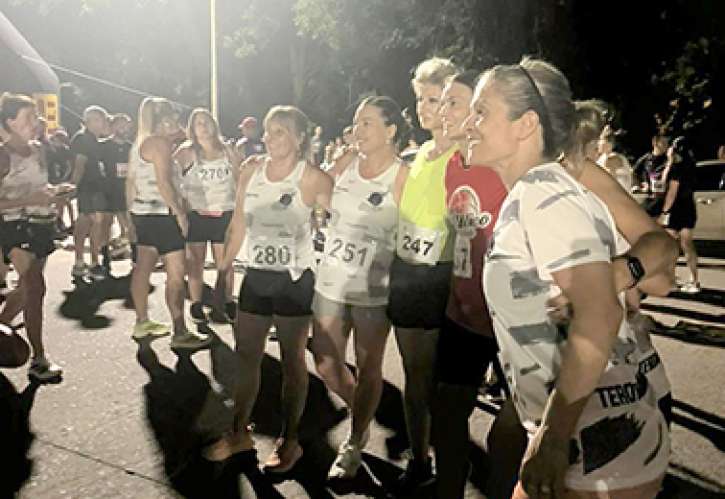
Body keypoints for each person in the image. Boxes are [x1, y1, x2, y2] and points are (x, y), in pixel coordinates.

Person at [473, 58, 668, 498]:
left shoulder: (543, 193)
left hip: (599, 450)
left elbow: (600, 316)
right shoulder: (541, 189)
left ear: (526, 125)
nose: (470, 123)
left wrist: (553, 436)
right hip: (593, 438)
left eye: (481, 111)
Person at [205, 105, 333, 474]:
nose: (269, 137)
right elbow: (238, 224)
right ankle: (239, 432)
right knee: (247, 355)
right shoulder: (251, 170)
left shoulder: (313, 178)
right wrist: (223, 272)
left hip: (294, 281)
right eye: (267, 130)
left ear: (299, 137)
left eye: (279, 131)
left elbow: (344, 223)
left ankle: (290, 440)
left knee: (292, 360)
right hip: (257, 277)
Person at [310, 96, 409, 479]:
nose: (357, 130)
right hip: (331, 281)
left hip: (373, 289)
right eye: (356, 122)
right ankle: (362, 411)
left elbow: (412, 233)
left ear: (390, 130)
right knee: (326, 364)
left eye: (367, 123)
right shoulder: (345, 163)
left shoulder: (401, 175)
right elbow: (316, 197)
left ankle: (354, 441)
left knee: (369, 367)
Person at [433, 69, 513, 499]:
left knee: (512, 435)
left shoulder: (505, 166)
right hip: (462, 314)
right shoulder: (451, 165)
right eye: (441, 101)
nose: (443, 111)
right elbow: (460, 236)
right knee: (447, 415)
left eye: (453, 102)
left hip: (509, 318)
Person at [386, 56, 458, 493]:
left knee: (435, 381)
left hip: (442, 277)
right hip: (405, 273)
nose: (425, 108)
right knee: (413, 376)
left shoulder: (464, 156)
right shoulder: (415, 157)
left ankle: (447, 465)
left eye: (434, 99)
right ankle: (419, 459)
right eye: (420, 99)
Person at [126, 96, 211, 349]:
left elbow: (130, 182)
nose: (176, 121)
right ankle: (180, 331)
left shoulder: (140, 143)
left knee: (143, 268)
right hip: (164, 215)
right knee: (175, 273)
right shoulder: (159, 144)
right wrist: (180, 213)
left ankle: (142, 322)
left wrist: (130, 217)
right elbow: (164, 182)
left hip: (143, 213)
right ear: (161, 120)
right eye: (171, 117)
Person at [0, 93, 68, 381]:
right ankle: (39, 359)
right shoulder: (3, 155)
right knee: (35, 287)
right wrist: (30, 199)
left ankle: (2, 326)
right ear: (9, 122)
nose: (36, 122)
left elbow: (41, 185)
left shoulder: (39, 150)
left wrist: (55, 192)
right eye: (28, 117)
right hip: (14, 226)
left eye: (36, 116)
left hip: (42, 224)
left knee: (27, 289)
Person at [174, 108, 242, 323]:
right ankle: (196, 304)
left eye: (207, 122)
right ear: (192, 129)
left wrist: (241, 209)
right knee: (195, 262)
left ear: (214, 125)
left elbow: (240, 178)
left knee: (225, 263)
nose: (203, 127)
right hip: (197, 214)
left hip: (224, 212)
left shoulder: (228, 150)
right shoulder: (186, 151)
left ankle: (228, 301)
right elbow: (171, 177)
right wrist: (180, 207)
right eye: (198, 123)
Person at [70, 105, 112, 280]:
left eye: (102, 119)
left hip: (97, 187)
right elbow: (79, 164)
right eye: (97, 119)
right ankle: (82, 261)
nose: (101, 123)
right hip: (88, 187)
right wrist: (73, 186)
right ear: (87, 121)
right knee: (87, 223)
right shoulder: (82, 139)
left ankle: (93, 261)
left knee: (95, 224)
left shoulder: (95, 140)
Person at [661, 136, 699, 293]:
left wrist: (664, 212)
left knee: (670, 246)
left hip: (676, 211)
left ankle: (671, 279)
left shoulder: (675, 169)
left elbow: (672, 192)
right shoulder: (691, 166)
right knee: (687, 245)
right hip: (689, 208)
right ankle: (694, 280)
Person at [98, 113, 134, 273]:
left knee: (130, 224)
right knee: (105, 223)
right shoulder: (103, 146)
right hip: (107, 190)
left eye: (126, 126)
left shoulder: (131, 147)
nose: (123, 129)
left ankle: (135, 257)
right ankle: (105, 255)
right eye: (120, 125)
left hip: (126, 190)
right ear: (112, 127)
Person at [632, 134, 669, 216]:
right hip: (648, 198)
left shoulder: (668, 160)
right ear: (655, 143)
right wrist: (639, 185)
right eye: (663, 142)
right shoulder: (646, 159)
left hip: (663, 199)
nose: (666, 145)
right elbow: (634, 173)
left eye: (667, 143)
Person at [597, 125, 633, 192]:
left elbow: (611, 185)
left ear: (609, 143)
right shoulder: (603, 157)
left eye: (601, 139)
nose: (598, 143)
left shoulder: (613, 158)